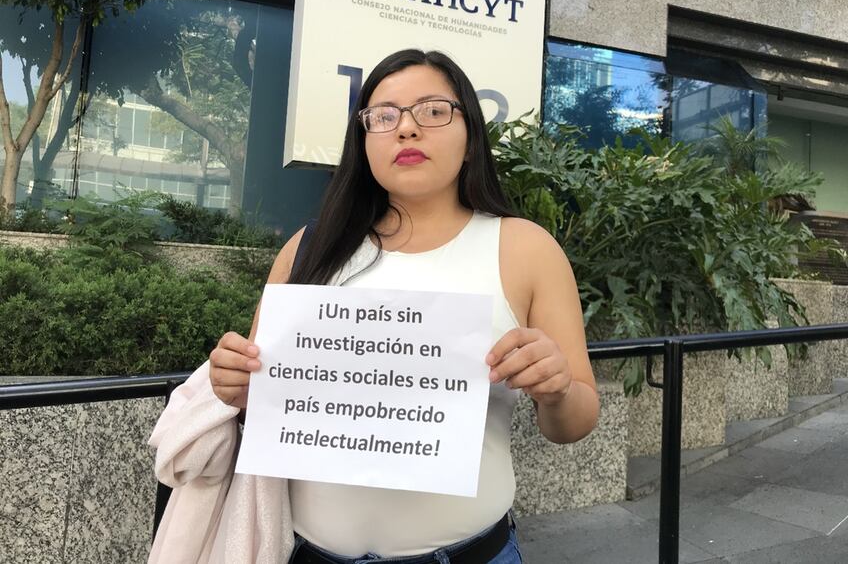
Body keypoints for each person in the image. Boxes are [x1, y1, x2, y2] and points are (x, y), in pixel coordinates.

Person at [154, 49, 599, 564]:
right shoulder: (308, 248)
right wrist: (233, 385)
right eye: (383, 117)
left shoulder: (526, 248)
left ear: (472, 137)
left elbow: (575, 421)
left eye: (433, 111)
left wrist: (557, 387)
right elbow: (263, 398)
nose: (406, 130)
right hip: (307, 553)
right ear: (363, 143)